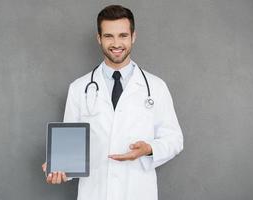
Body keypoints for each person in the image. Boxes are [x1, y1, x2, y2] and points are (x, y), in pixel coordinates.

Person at [42, 5, 183, 200]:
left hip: (137, 192)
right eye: (109, 36)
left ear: (133, 36)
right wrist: (59, 169)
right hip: (95, 193)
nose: (116, 43)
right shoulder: (79, 88)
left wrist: (149, 149)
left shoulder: (156, 87)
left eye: (123, 35)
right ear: (99, 38)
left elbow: (174, 139)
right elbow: (70, 149)